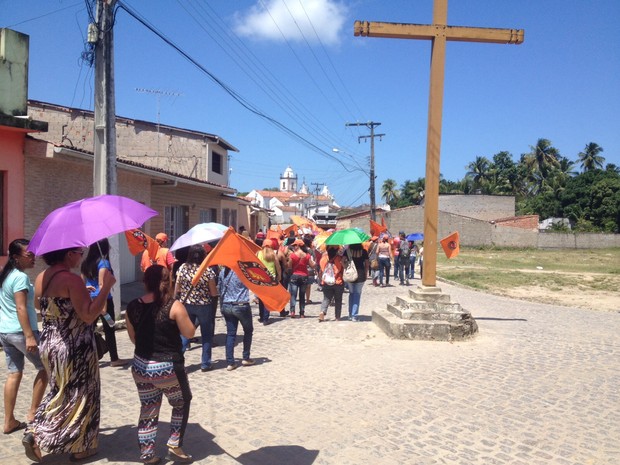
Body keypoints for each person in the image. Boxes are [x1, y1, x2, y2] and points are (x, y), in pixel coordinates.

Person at [23, 246, 115, 463]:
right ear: (69, 254)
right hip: (74, 346)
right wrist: (105, 288)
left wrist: (82, 297)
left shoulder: (41, 277)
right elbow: (90, 315)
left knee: (60, 391)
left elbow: (41, 305)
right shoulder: (71, 280)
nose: (81, 257)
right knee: (83, 394)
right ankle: (77, 446)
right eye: (79, 253)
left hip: (51, 343)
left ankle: (36, 431)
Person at [126, 265, 195, 464]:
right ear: (168, 281)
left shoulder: (132, 306)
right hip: (167, 367)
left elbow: (134, 339)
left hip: (141, 365)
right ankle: (174, 442)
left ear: (145, 282)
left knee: (148, 407)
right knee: (181, 402)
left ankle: (147, 453)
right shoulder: (174, 306)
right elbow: (189, 333)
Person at [0, 239, 47, 435]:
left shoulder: (7, 275)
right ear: (16, 257)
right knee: (47, 368)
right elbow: (21, 307)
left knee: (14, 373)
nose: (33, 257)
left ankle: (9, 421)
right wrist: (29, 336)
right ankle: (33, 412)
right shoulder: (19, 277)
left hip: (6, 332)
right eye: (29, 254)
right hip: (21, 332)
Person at [80, 238, 128, 367]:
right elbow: (102, 285)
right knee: (109, 329)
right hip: (103, 300)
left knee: (88, 329)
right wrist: (104, 306)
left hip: (90, 299)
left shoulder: (85, 263)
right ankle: (114, 358)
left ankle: (85, 357)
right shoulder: (104, 263)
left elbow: (82, 283)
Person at [175, 244, 218, 372]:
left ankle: (178, 361)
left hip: (187, 305)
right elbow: (213, 292)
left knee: (185, 333)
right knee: (206, 335)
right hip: (204, 306)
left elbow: (177, 288)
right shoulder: (207, 271)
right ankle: (205, 363)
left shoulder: (182, 268)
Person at [218, 267, 255, 371]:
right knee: (248, 331)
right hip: (241, 305)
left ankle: (230, 362)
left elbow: (220, 290)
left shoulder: (222, 272)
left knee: (230, 333)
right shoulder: (242, 271)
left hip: (227, 305)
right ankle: (246, 357)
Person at [287, 239, 315, 318]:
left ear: (298, 246)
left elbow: (289, 266)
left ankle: (292, 311)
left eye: (295, 245)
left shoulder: (292, 255)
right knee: (302, 295)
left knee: (293, 295)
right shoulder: (307, 256)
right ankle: (302, 313)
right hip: (304, 276)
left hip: (294, 276)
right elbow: (312, 265)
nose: (294, 247)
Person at [256, 238, 281, 325]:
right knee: (268, 299)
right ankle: (266, 318)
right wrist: (279, 276)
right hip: (271, 279)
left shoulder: (258, 253)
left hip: (260, 278)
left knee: (261, 298)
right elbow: (278, 266)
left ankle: (261, 316)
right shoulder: (273, 254)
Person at [318, 245, 345, 322]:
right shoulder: (339, 259)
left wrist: (321, 280)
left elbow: (320, 271)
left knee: (326, 298)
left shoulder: (323, 259)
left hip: (326, 282)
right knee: (338, 300)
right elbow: (343, 269)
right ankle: (337, 317)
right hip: (338, 281)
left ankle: (322, 312)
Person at [344, 243, 369, 322]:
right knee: (357, 295)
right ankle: (354, 315)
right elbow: (367, 264)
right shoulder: (364, 251)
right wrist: (366, 273)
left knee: (351, 294)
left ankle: (350, 314)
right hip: (360, 274)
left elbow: (342, 261)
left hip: (350, 274)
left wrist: (345, 268)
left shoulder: (347, 251)